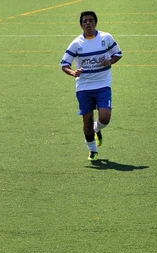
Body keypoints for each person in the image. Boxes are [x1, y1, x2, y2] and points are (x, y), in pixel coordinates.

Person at [60, 11, 122, 161]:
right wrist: (73, 72)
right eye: (85, 21)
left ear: (95, 23)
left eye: (91, 20)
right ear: (81, 25)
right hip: (84, 86)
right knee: (86, 120)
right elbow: (64, 64)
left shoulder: (106, 38)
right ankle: (92, 150)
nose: (88, 23)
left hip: (103, 84)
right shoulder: (76, 43)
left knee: (105, 118)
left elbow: (118, 54)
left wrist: (110, 62)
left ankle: (97, 128)